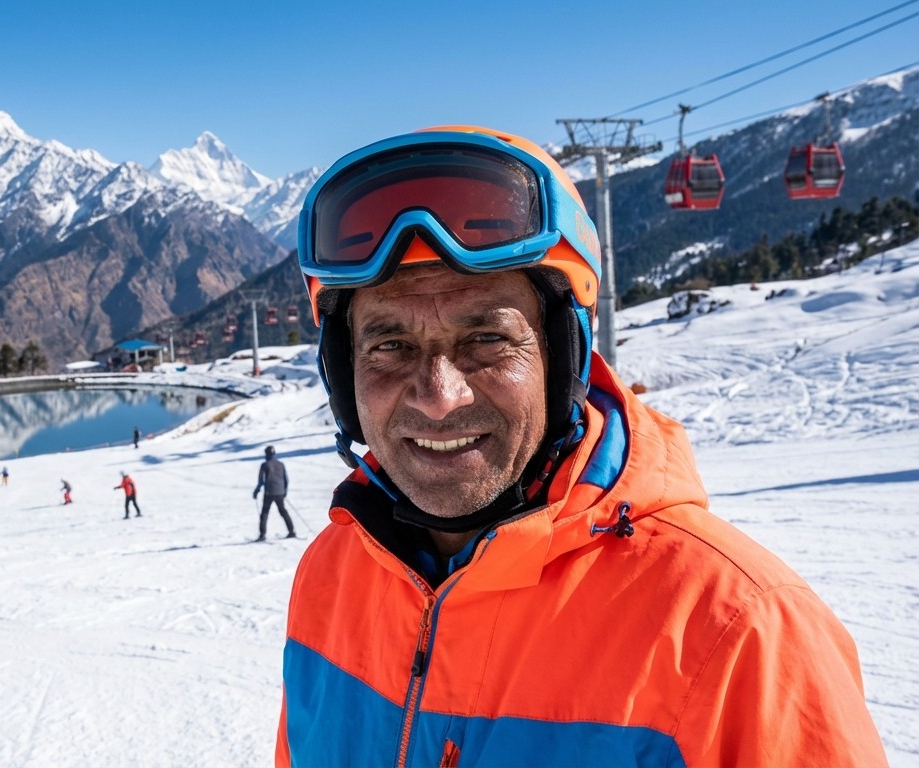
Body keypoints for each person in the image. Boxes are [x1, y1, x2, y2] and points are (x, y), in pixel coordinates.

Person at [275, 126, 885, 767]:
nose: (438, 395)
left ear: (564, 356)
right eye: (390, 345)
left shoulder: (738, 633)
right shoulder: (332, 573)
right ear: (344, 374)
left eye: (487, 339)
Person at [253, 446, 295, 541]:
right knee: (283, 511)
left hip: (269, 493)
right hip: (280, 492)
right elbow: (286, 479)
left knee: (264, 513)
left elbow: (261, 481)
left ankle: (262, 535)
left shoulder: (264, 465)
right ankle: (291, 531)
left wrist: (256, 491)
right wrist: (284, 491)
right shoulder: (281, 464)